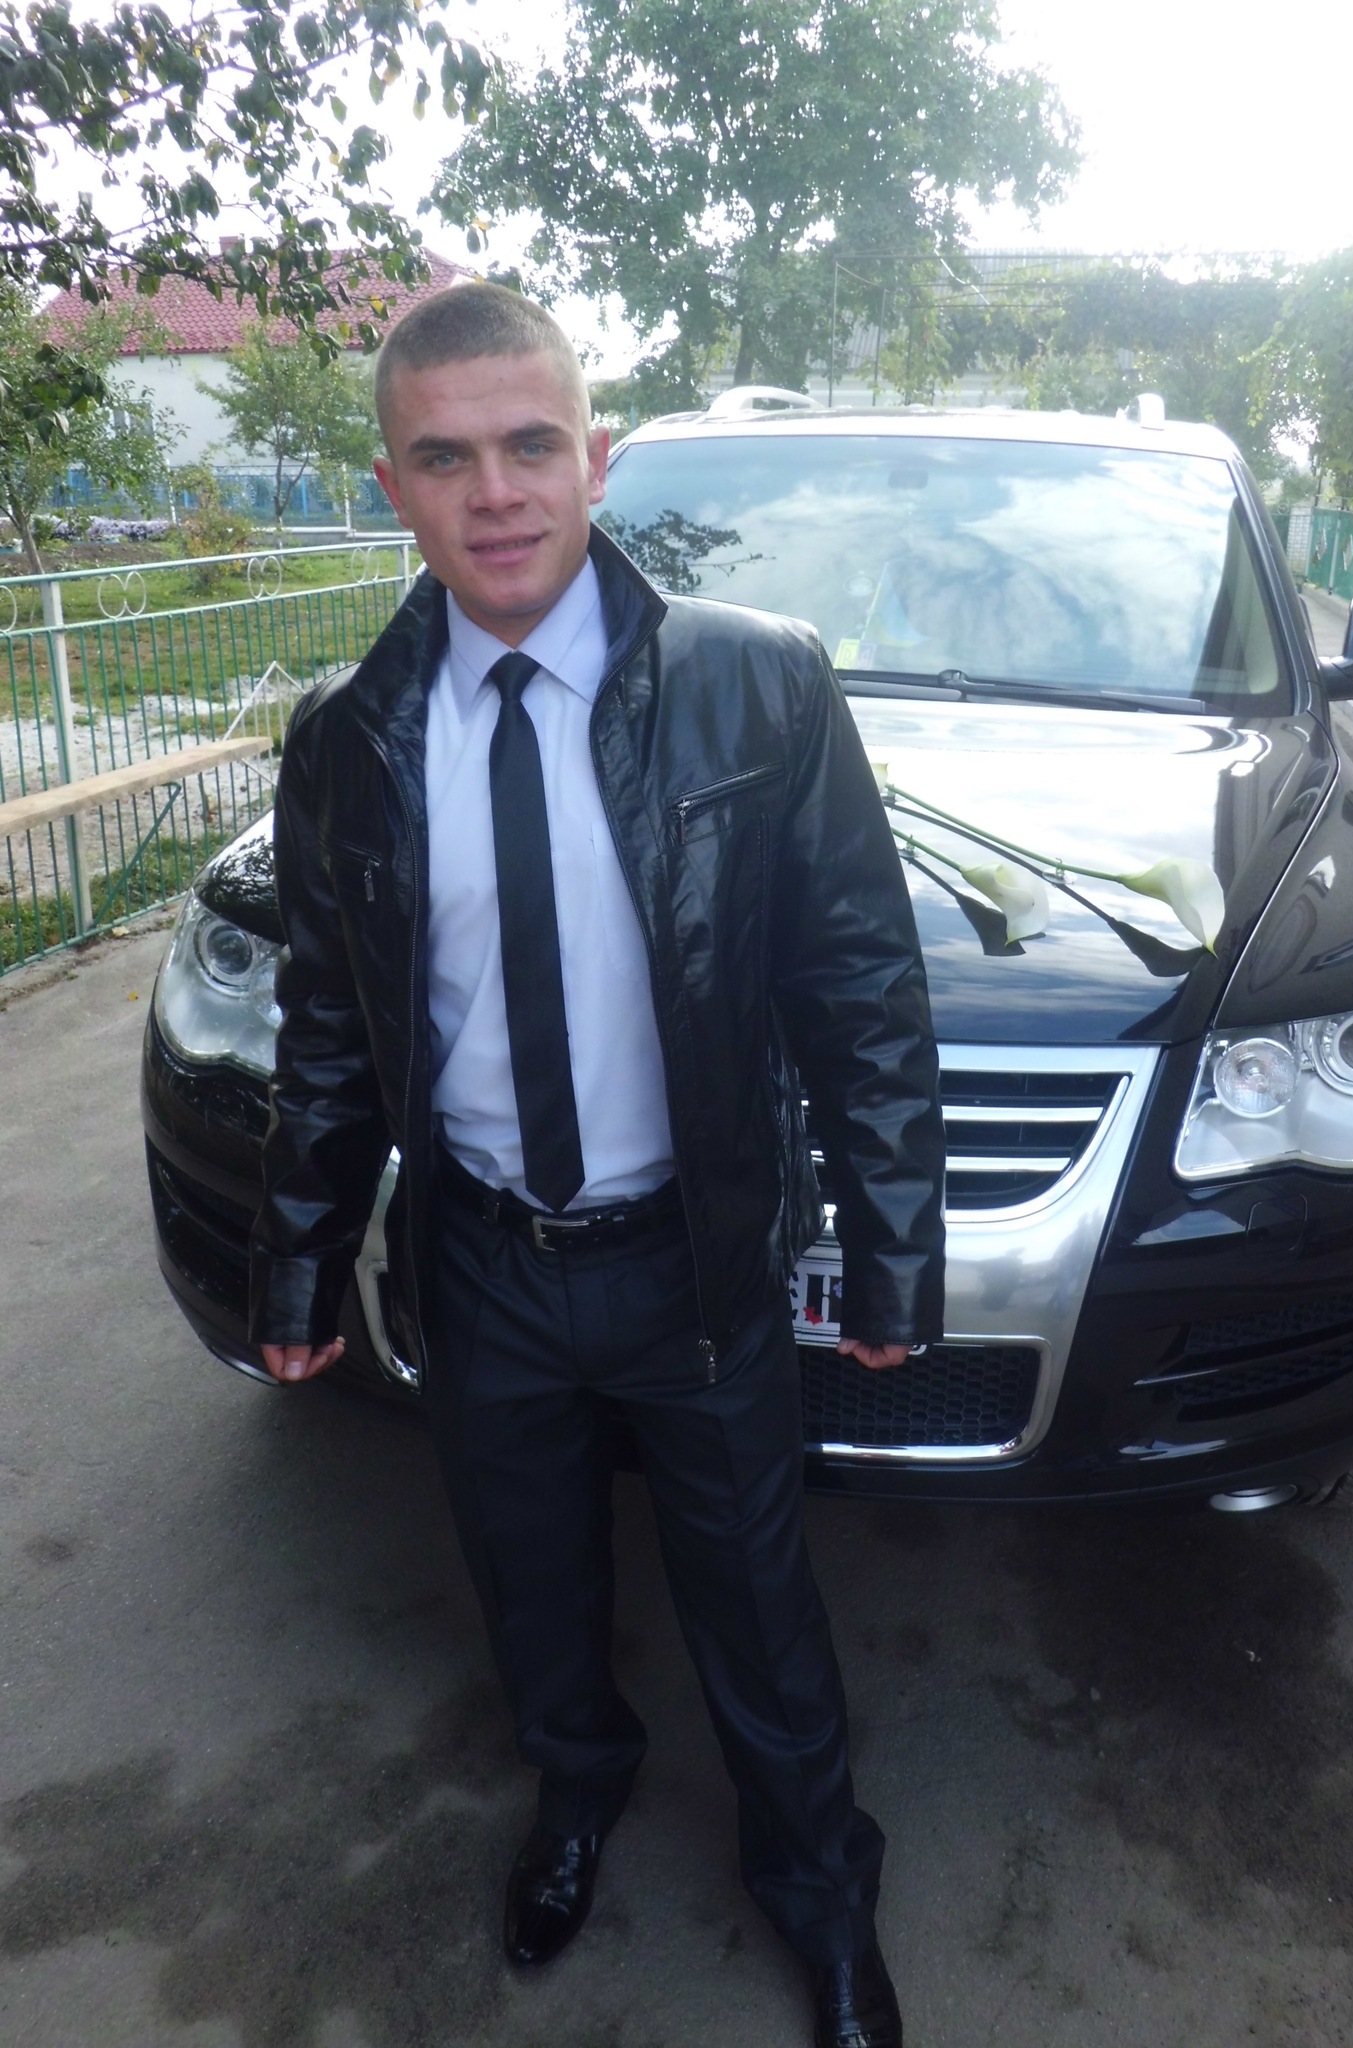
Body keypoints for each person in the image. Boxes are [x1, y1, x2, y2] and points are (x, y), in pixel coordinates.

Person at [248, 283, 945, 2048]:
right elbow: (329, 1024)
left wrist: (893, 1249)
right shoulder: (348, 738)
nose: (495, 493)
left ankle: (821, 1891)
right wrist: (301, 1261)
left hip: (691, 1263)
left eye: (531, 445)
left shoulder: (755, 686)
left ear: (596, 457)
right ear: (392, 485)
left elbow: (860, 989)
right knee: (531, 1583)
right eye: (446, 458)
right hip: (483, 1264)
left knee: (760, 1611)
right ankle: (579, 1789)